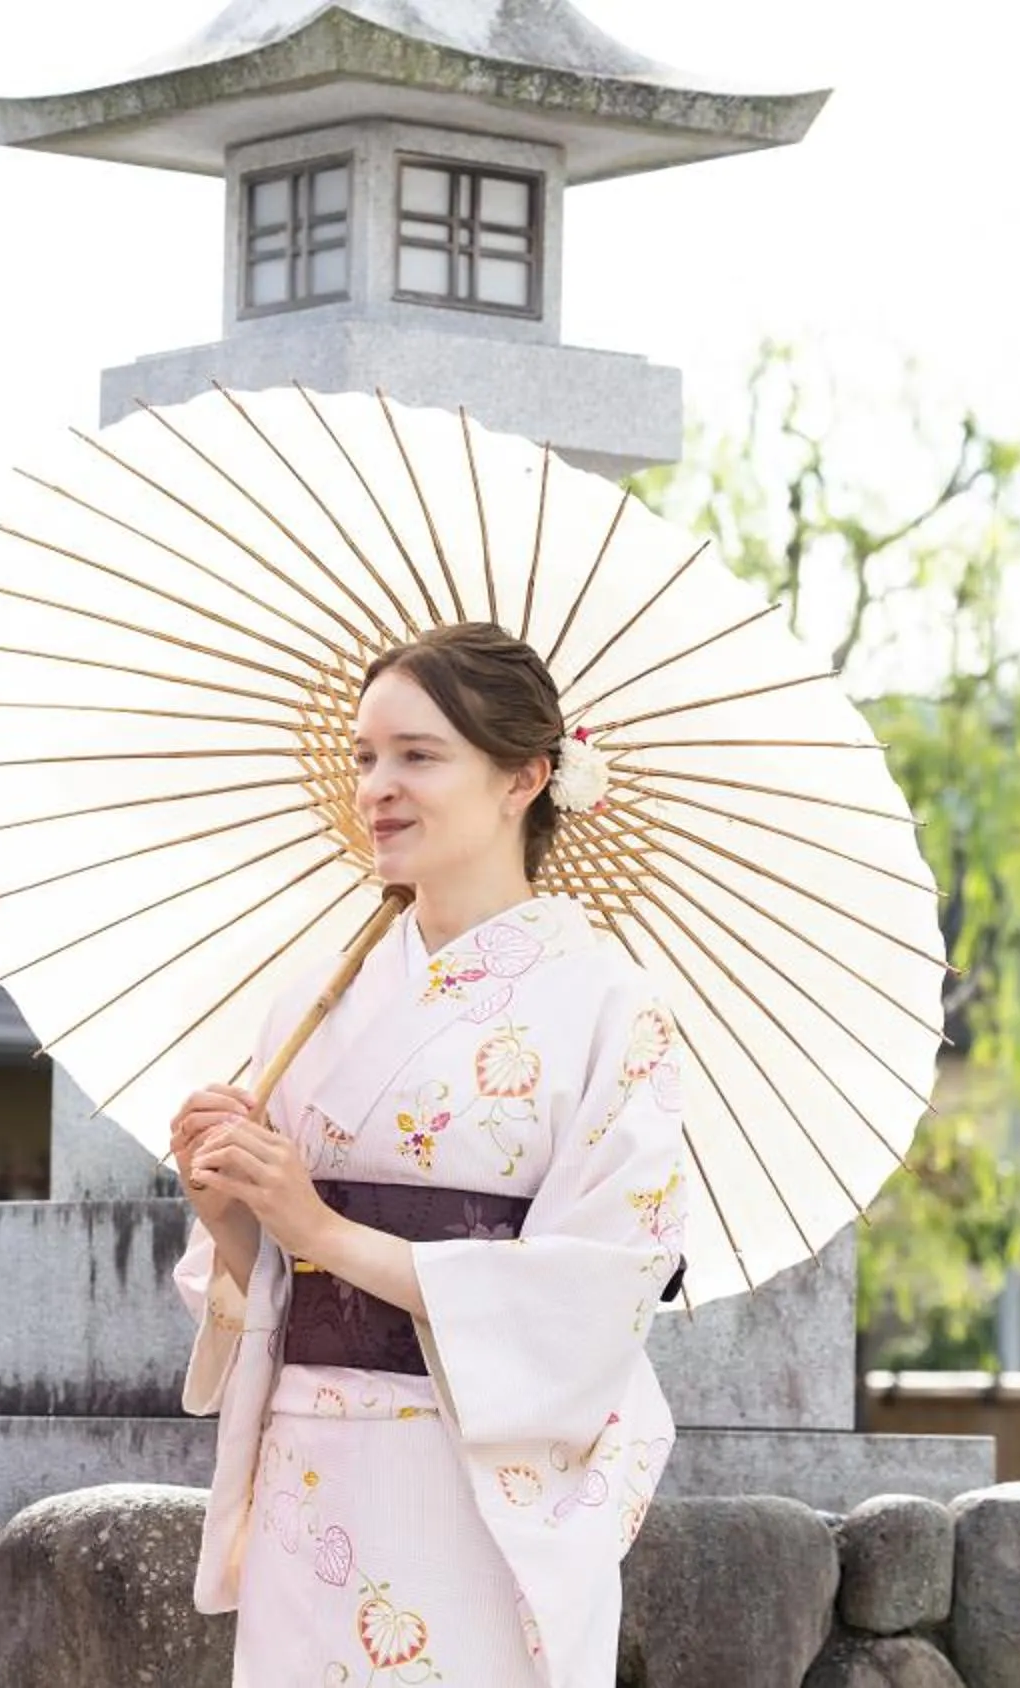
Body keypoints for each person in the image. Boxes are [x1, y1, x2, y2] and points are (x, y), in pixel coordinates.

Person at [172, 623, 694, 1688]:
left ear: (525, 777)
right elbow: (267, 1281)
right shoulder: (307, 1003)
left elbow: (595, 1293)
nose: (377, 787)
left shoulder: (608, 1004)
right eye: (364, 757)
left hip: (468, 1482)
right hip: (310, 1468)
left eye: (418, 755)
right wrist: (236, 1220)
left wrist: (318, 1227)